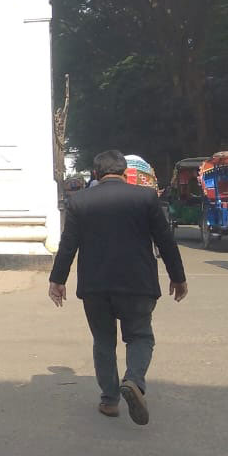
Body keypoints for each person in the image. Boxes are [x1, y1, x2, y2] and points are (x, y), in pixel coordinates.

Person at [49, 149, 188, 426]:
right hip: (137, 284)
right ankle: (134, 381)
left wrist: (57, 280)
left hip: (95, 286)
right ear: (124, 173)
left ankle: (110, 400)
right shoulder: (146, 198)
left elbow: (68, 245)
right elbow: (165, 241)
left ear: (96, 174)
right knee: (139, 336)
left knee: (103, 341)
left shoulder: (80, 201)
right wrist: (178, 277)